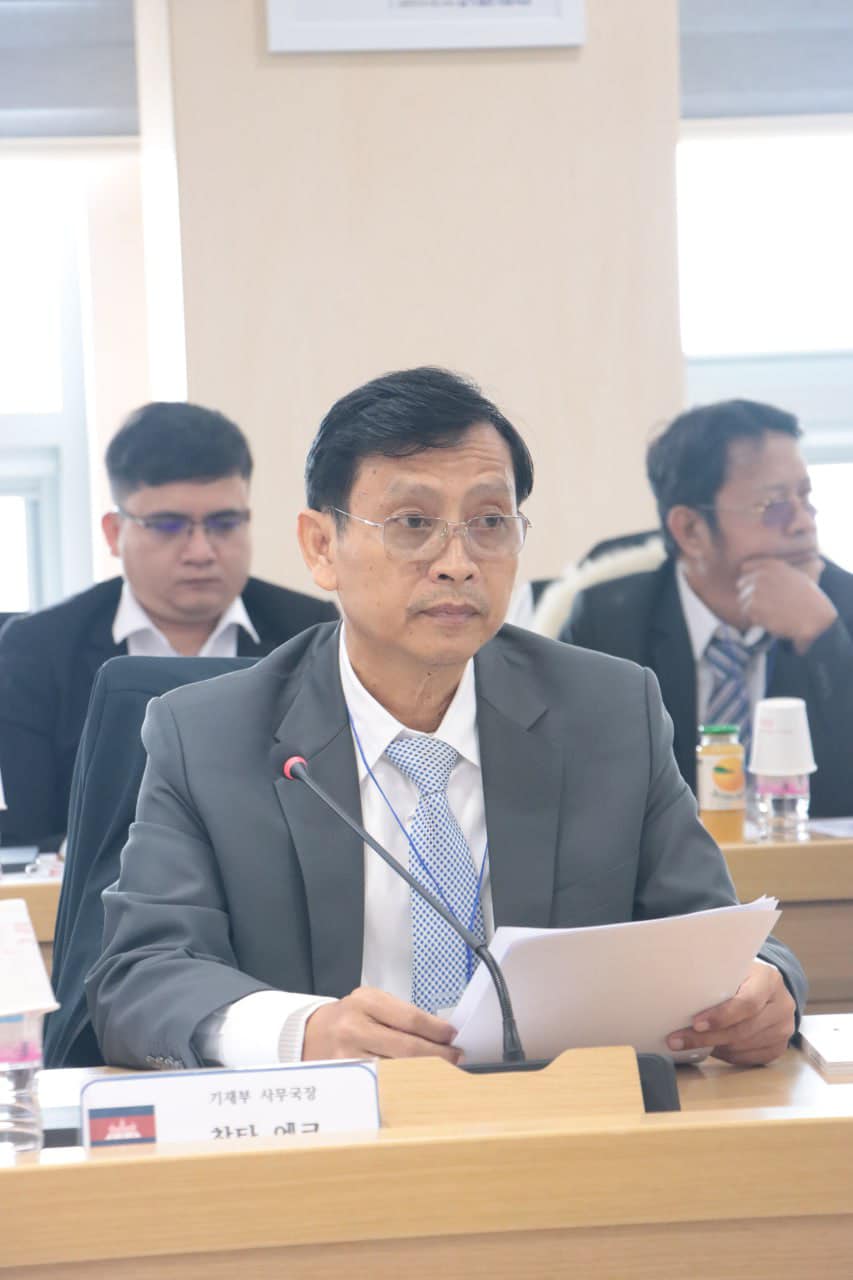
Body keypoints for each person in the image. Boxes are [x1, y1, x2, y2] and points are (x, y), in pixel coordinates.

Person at [87, 369, 804, 1073]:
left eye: (489, 523)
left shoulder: (609, 712)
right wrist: (303, 1033)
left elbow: (718, 935)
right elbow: (140, 976)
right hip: (330, 1129)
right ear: (321, 548)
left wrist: (765, 991)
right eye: (413, 524)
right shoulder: (207, 737)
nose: (457, 563)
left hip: (556, 1123)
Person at [0, 402, 337, 849]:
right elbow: (30, 831)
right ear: (114, 533)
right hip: (103, 887)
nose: (200, 551)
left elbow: (333, 801)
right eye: (167, 526)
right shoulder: (38, 649)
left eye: (224, 523)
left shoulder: (311, 631)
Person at [552, 399, 853, 817]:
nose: (803, 523)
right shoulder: (608, 624)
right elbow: (573, 786)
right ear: (691, 529)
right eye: (774, 505)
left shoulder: (840, 607)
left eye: (805, 497)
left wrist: (824, 642)